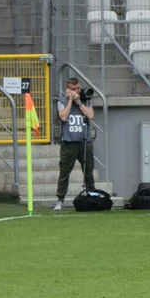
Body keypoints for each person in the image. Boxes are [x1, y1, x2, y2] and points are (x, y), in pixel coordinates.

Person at [53, 77, 95, 211]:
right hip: (69, 141)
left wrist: (78, 101)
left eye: (78, 88)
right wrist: (71, 100)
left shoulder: (86, 99)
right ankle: (60, 199)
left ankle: (91, 196)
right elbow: (63, 117)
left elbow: (90, 115)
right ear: (68, 89)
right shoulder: (62, 100)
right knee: (64, 172)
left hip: (84, 141)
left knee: (88, 171)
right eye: (73, 89)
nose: (77, 91)